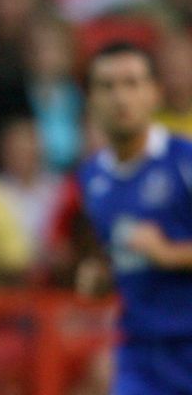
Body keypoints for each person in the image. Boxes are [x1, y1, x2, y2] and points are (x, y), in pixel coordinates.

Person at [77, 41, 192, 393]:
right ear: (91, 101)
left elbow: (158, 251)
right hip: (140, 352)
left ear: (155, 93)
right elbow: (119, 254)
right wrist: (101, 276)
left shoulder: (184, 161)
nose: (120, 97)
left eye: (132, 83)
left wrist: (168, 254)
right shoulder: (92, 177)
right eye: (107, 86)